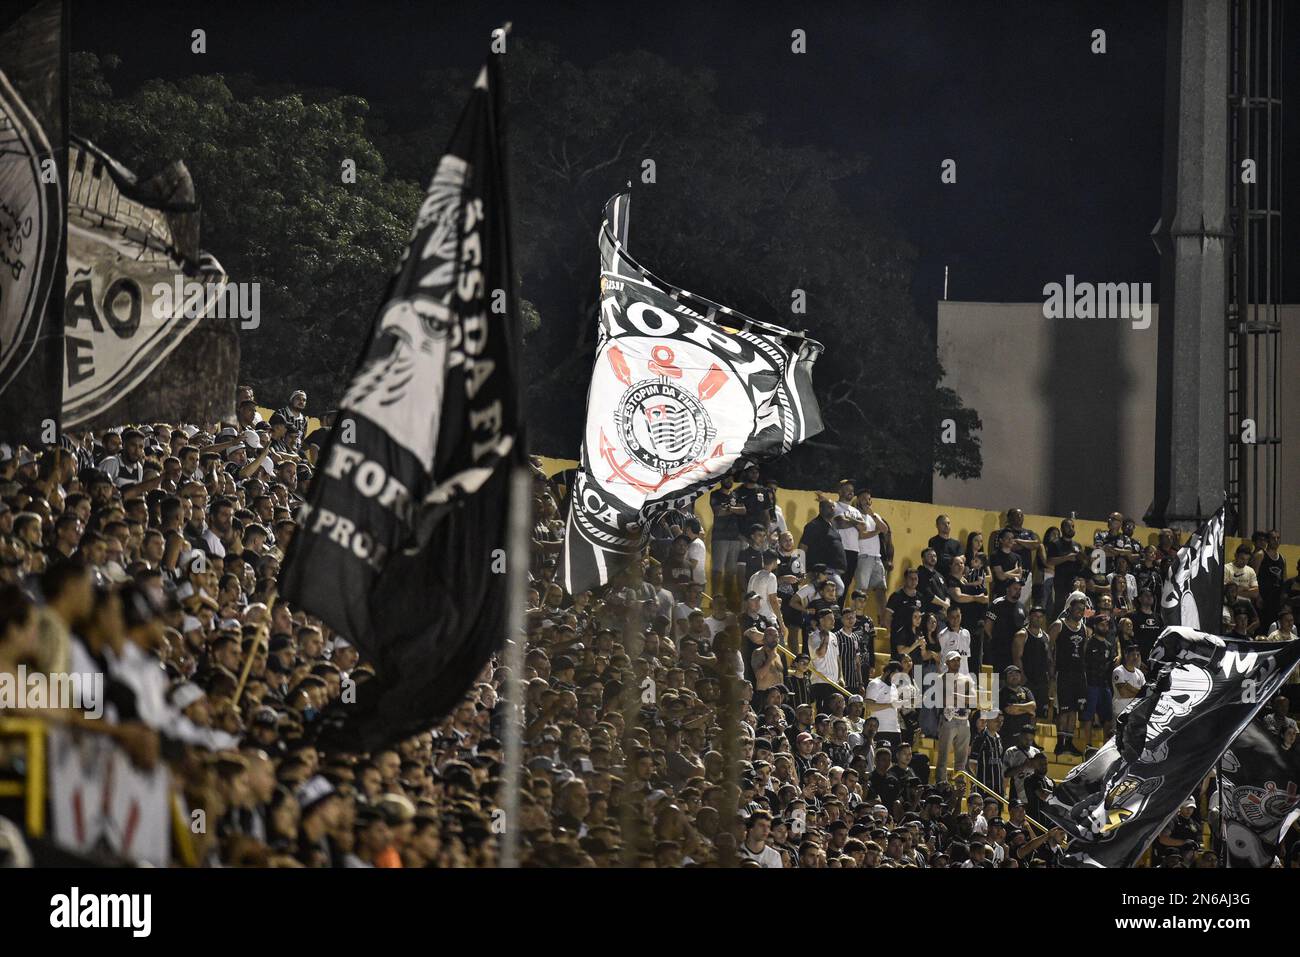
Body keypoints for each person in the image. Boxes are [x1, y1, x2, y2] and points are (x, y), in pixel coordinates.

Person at [1049, 595, 1089, 756]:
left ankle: (1070, 743)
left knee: (1074, 711)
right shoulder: (1059, 625)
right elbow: (1048, 648)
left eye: (1082, 609)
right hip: (1062, 673)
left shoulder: (1084, 628)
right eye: (1077, 608)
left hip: (1078, 674)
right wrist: (1051, 672)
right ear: (1070, 608)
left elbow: (1084, 653)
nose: (1080, 612)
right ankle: (1060, 743)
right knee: (1064, 710)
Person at [934, 651, 976, 783]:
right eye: (953, 660)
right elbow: (942, 700)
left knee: (961, 760)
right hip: (948, 719)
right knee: (943, 757)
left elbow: (974, 700)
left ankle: (960, 788)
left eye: (958, 660)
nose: (956, 662)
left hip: (964, 720)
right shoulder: (940, 678)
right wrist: (963, 698)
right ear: (947, 662)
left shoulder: (967, 679)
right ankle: (941, 785)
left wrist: (957, 696)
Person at [1079, 614, 1117, 749]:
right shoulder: (1089, 642)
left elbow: (1110, 666)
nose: (1105, 627)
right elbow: (1082, 663)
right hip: (1090, 683)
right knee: (1088, 715)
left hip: (1104, 684)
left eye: (1107, 625)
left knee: (1107, 717)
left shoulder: (1109, 645)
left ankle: (1106, 746)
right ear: (1095, 626)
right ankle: (1087, 745)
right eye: (1102, 624)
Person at [1112, 644, 1146, 716]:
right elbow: (1123, 694)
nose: (1136, 657)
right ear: (1126, 655)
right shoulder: (1118, 671)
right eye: (1133, 654)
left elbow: (1145, 693)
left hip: (1135, 712)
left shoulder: (1140, 673)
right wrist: (1140, 693)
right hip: (1120, 711)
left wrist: (1128, 687)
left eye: (1138, 654)